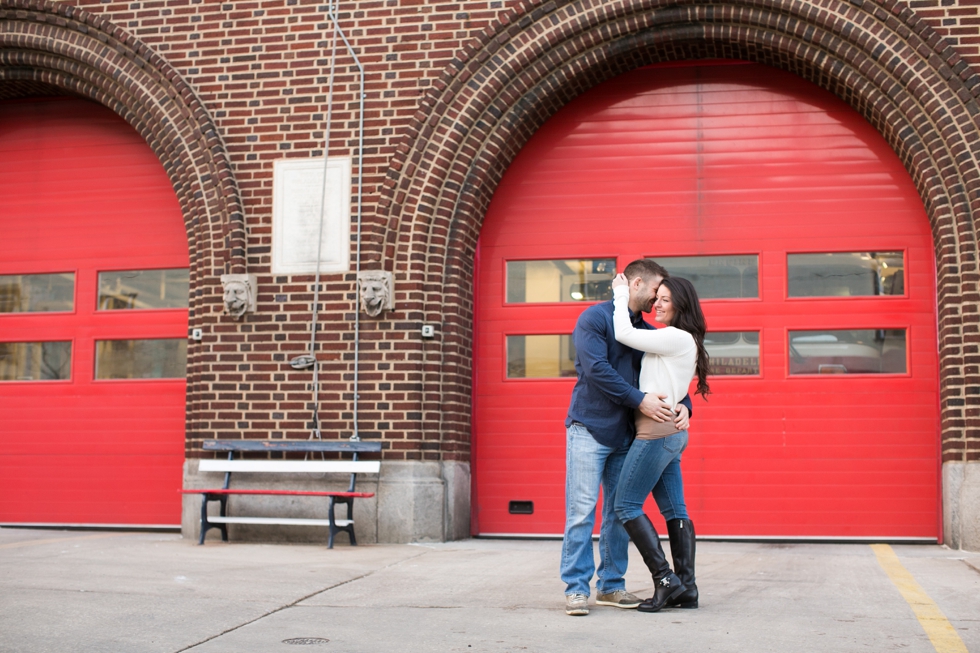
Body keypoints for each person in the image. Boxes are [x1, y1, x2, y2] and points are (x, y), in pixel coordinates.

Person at [561, 259, 692, 616]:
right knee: (581, 513)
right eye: (655, 291)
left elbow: (663, 374)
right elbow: (597, 369)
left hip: (627, 435)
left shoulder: (645, 330)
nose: (657, 299)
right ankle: (575, 588)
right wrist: (640, 400)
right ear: (636, 284)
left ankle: (611, 586)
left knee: (618, 515)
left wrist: (686, 405)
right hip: (589, 428)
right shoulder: (595, 319)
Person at [610, 273, 710, 613]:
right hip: (670, 433)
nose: (657, 304)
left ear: (680, 304)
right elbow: (674, 385)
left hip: (656, 432)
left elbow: (623, 333)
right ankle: (687, 587)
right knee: (675, 510)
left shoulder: (674, 336)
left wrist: (621, 293)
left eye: (665, 299)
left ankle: (666, 580)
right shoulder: (680, 339)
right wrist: (684, 406)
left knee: (625, 505)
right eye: (658, 297)